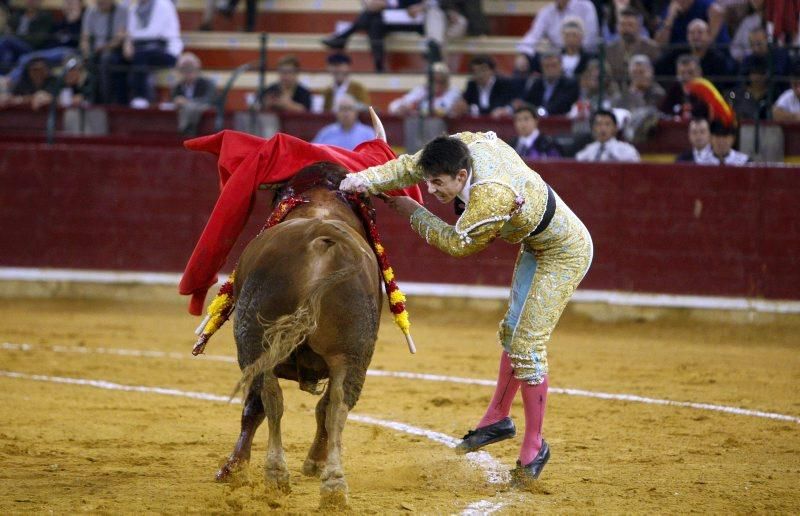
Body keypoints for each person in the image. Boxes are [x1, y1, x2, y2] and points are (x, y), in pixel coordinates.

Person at [339, 130, 593, 484]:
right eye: (428, 183)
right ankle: (497, 419)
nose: (431, 190)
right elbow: (409, 167)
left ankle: (535, 445)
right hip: (537, 242)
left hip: (565, 251)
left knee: (527, 345)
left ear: (461, 176)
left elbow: (459, 245)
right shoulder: (459, 148)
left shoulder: (490, 197)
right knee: (511, 333)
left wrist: (414, 212)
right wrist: (360, 179)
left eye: (437, 183)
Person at [321, 0, 447, 73]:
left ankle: (345, 37)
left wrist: (421, 6)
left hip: (419, 18)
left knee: (373, 18)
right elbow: (394, 3)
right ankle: (378, 64)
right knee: (375, 22)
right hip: (397, 15)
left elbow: (436, 2)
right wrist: (385, 4)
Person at [123, 0, 183, 109]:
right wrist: (128, 41)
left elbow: (154, 32)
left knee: (140, 55)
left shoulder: (163, 4)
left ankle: (141, 97)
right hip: (142, 48)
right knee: (117, 58)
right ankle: (120, 100)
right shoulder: (134, 8)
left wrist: (128, 38)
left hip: (167, 50)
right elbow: (130, 31)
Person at [655, 18, 732, 90]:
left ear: (708, 35)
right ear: (687, 36)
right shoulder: (677, 52)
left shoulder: (718, 59)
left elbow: (723, 85)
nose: (695, 37)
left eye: (700, 33)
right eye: (692, 33)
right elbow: (658, 68)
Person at [80, 0, 128, 104]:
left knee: (105, 59)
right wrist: (86, 52)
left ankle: (106, 102)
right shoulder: (90, 11)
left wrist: (103, 48)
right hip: (95, 51)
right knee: (82, 60)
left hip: (115, 51)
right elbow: (85, 38)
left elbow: (119, 39)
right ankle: (88, 98)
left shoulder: (122, 11)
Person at [517, 0, 599, 57]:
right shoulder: (546, 12)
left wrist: (572, 52)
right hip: (557, 57)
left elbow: (590, 39)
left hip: (583, 55)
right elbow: (533, 36)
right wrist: (524, 53)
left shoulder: (586, 7)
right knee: (527, 59)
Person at [605, 7, 661, 86]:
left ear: (639, 27)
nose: (626, 29)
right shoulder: (609, 50)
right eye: (622, 25)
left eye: (630, 25)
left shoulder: (651, 48)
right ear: (617, 27)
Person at [451, 54, 517, 117]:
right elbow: (465, 105)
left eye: (483, 70)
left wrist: (472, 109)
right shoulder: (472, 85)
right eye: (475, 71)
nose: (479, 74)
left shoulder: (503, 84)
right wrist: (460, 107)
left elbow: (496, 109)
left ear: (492, 70)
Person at [388, 61, 461, 116]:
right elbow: (393, 106)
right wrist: (400, 108)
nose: (437, 85)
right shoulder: (420, 91)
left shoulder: (453, 92)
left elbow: (448, 110)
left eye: (440, 81)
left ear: (447, 81)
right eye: (433, 81)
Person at [0, 0, 54, 74]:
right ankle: (3, 78)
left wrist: (15, 37)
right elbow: (7, 29)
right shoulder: (18, 14)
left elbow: (38, 40)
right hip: (14, 46)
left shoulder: (45, 17)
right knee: (8, 54)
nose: (31, 1)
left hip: (32, 49)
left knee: (6, 40)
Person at [523, 49, 580, 116]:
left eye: (553, 66)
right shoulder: (537, 83)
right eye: (547, 66)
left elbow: (563, 104)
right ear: (542, 67)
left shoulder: (570, 84)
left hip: (560, 121)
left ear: (561, 66)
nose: (550, 69)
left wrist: (543, 112)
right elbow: (528, 102)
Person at [170, 52, 216, 135]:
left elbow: (208, 99)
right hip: (184, 110)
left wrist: (187, 101)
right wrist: (177, 100)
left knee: (191, 107)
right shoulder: (178, 86)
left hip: (202, 108)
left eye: (190, 69)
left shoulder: (207, 83)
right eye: (184, 70)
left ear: (197, 70)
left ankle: (185, 129)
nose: (188, 73)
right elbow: (173, 98)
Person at [653, 0, 730, 47]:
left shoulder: (708, 7)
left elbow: (709, 43)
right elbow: (659, 45)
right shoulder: (669, 11)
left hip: (709, 53)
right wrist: (670, 19)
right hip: (679, 55)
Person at [575, 109, 641, 161]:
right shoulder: (588, 150)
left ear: (615, 128)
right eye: (599, 124)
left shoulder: (627, 150)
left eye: (607, 124)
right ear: (593, 128)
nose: (603, 128)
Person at [659, 54, 705, 119]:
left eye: (690, 72)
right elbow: (663, 113)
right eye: (682, 73)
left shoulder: (706, 91)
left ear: (699, 73)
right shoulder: (674, 89)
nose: (686, 77)